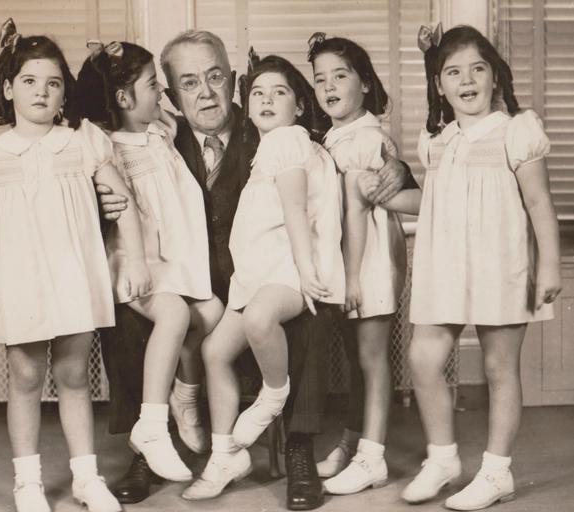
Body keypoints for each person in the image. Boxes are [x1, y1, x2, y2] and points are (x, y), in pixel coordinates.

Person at [97, 29, 414, 510]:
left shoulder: (271, 128)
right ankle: (148, 444)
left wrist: (399, 171)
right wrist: (103, 201)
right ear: (171, 95)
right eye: (189, 83)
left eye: (215, 77)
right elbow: (97, 157)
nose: (206, 93)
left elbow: (346, 147)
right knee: (130, 310)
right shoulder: (157, 138)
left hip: (263, 278)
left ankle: (299, 444)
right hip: (187, 283)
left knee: (305, 310)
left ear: (232, 79)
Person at [0, 18, 152, 512]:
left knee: (73, 376)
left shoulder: (83, 142)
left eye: (53, 83)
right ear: (8, 88)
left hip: (73, 277)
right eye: (29, 81)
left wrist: (135, 260)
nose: (41, 92)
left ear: (65, 92)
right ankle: (27, 483)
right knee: (25, 378)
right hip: (20, 282)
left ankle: (86, 478)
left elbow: (124, 202)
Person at [402, 25, 561, 510]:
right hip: (445, 264)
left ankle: (496, 473)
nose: (466, 80)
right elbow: (436, 200)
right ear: (439, 85)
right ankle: (443, 459)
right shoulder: (438, 141)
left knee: (498, 367)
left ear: (496, 76)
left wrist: (550, 266)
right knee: (423, 358)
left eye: (477, 68)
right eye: (453, 72)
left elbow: (539, 203)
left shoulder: (516, 131)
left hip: (500, 263)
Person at [182, 51, 345, 502]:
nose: (267, 100)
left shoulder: (288, 140)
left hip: (290, 270)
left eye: (280, 92)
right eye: (258, 93)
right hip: (258, 275)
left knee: (258, 320)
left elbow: (295, 209)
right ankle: (225, 456)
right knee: (215, 351)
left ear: (300, 105)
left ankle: (274, 396)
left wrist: (308, 272)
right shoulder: (268, 148)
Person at [70, 41, 224, 482]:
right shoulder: (107, 148)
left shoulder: (159, 132)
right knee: (174, 314)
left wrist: (159, 117)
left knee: (213, 311)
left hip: (168, 263)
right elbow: (116, 209)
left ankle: (184, 393)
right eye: (153, 85)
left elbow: (166, 128)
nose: (162, 92)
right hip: (133, 262)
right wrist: (136, 263)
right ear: (123, 98)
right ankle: (152, 425)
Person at [307, 34, 421, 496]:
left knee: (372, 359)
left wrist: (352, 276)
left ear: (366, 84)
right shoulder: (336, 137)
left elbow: (358, 210)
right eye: (320, 79)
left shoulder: (366, 138)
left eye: (341, 75)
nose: (329, 86)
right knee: (357, 359)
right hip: (349, 260)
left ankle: (372, 457)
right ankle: (353, 442)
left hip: (367, 261)